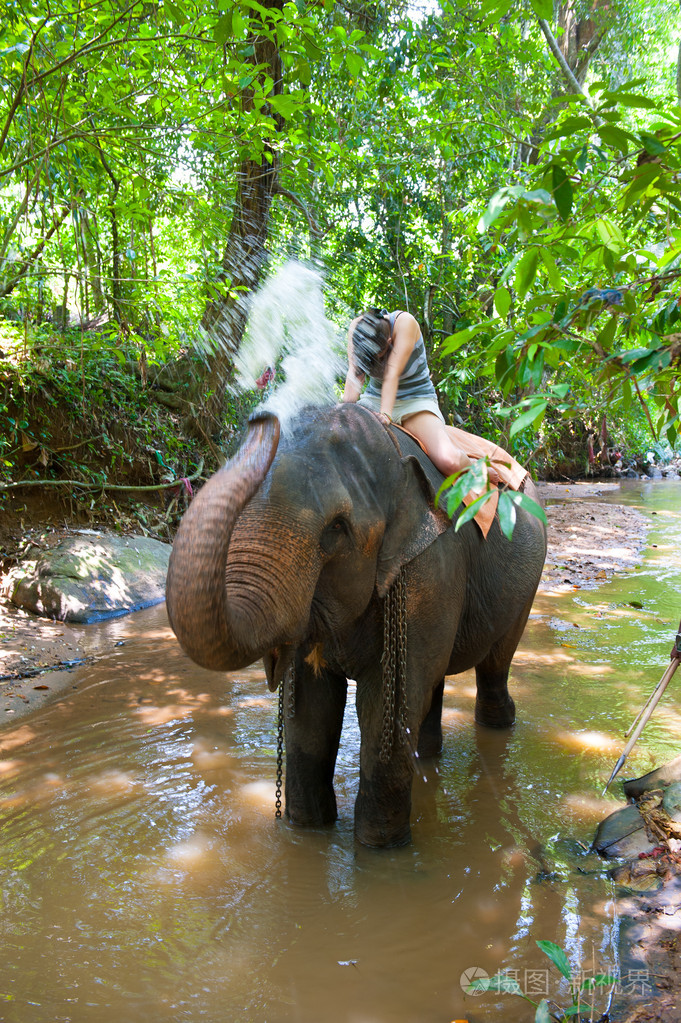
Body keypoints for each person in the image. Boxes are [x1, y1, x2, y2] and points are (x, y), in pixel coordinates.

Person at [342, 307, 502, 485]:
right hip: (375, 398)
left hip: (415, 401)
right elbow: (355, 374)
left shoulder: (405, 323)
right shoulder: (357, 328)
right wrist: (343, 413)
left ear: (388, 342)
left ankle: (473, 467)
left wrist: (386, 415)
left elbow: (391, 374)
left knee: (449, 461)